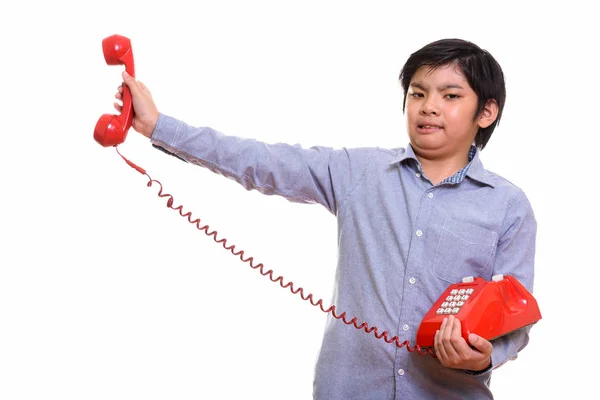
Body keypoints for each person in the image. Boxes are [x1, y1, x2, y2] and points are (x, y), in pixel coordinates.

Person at [114, 38, 537, 399]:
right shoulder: (358, 171)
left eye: (450, 95)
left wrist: (485, 356)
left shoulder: (508, 206)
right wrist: (157, 125)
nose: (428, 107)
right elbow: (262, 161)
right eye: (417, 93)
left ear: (486, 112)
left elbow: (516, 316)